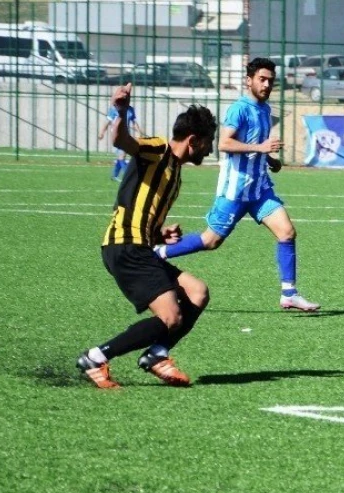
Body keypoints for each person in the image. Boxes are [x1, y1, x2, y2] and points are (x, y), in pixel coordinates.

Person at [76, 83, 217, 389]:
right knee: (171, 316)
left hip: (139, 245)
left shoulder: (175, 174)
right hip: (124, 246)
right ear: (194, 140)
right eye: (208, 143)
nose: (210, 149)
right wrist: (122, 110)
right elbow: (122, 139)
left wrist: (160, 233)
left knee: (197, 292)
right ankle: (96, 357)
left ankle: (157, 353)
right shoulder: (158, 149)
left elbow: (145, 216)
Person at [155, 57, 320, 311]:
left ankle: (289, 293)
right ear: (249, 81)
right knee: (211, 241)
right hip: (235, 190)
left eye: (270, 81)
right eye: (262, 80)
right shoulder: (238, 109)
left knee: (286, 232)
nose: (266, 85)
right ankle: (157, 254)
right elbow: (224, 144)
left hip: (259, 189)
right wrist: (261, 147)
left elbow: (257, 145)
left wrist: (270, 159)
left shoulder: (265, 110)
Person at [98, 103, 142, 181]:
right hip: (116, 135)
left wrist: (139, 133)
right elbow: (107, 122)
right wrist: (102, 132)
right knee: (122, 156)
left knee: (121, 156)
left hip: (125, 134)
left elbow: (134, 122)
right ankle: (128, 177)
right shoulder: (114, 109)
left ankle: (114, 176)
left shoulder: (130, 109)